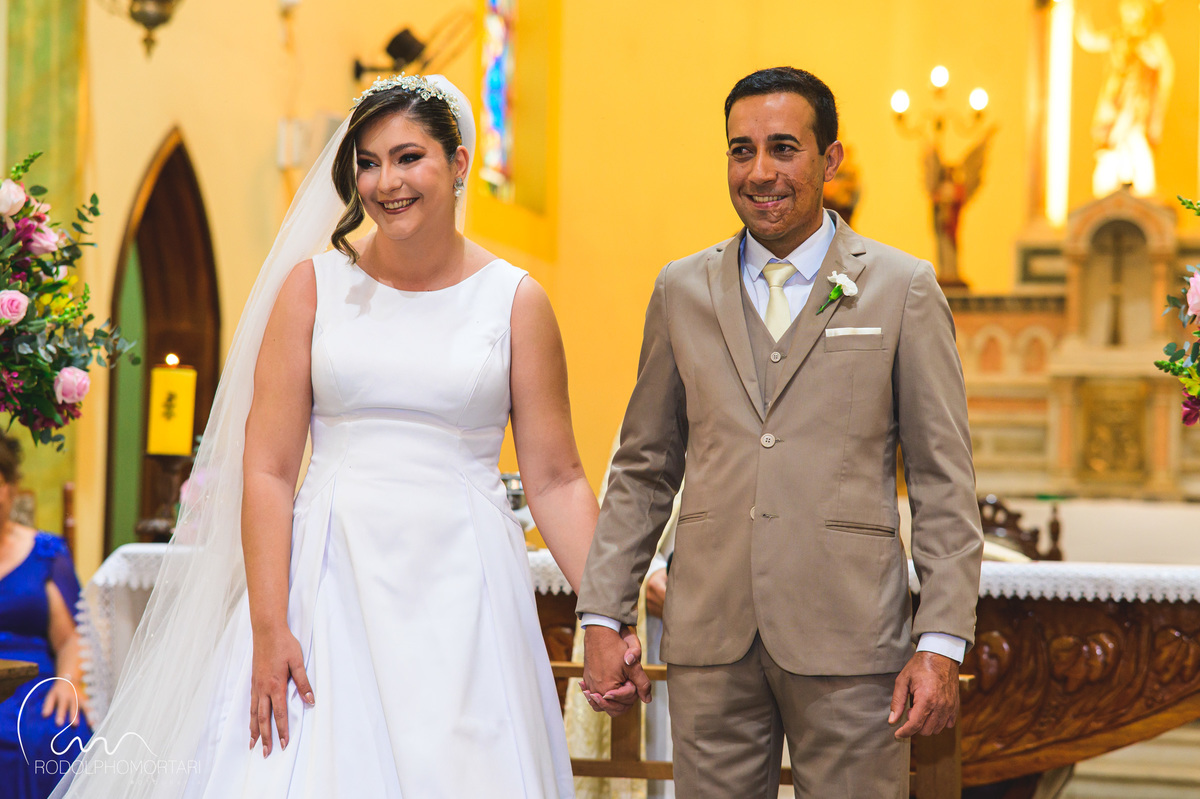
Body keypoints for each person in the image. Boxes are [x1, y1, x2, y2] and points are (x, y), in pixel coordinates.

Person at [53, 75, 613, 799]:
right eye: (369, 162)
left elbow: (558, 479)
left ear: (459, 162)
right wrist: (269, 626)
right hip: (327, 579)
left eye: (408, 157)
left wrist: (607, 610)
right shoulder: (311, 289)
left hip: (466, 589)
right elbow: (268, 468)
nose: (386, 182)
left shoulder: (515, 301)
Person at [576, 67, 984, 798]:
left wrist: (941, 641)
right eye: (742, 150)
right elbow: (644, 468)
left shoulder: (902, 287)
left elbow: (941, 479)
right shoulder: (680, 289)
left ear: (830, 159)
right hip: (711, 635)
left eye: (783, 148)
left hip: (853, 639)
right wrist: (604, 613)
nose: (760, 172)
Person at [0, 434, 92, 799]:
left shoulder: (46, 552)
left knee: (59, 734)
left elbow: (70, 637)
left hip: (34, 685)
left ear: (12, 488)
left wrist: (69, 680)